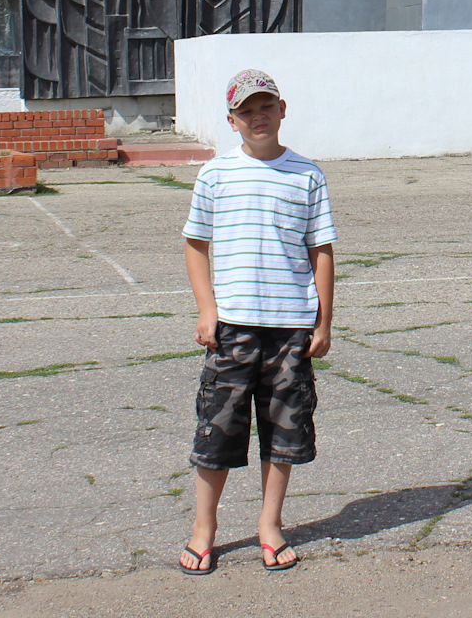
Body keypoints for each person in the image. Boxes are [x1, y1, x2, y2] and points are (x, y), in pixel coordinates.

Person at [178, 68, 336, 576]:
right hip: (233, 328)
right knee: (218, 430)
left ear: (282, 109)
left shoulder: (307, 175)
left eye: (265, 106)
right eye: (246, 111)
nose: (257, 117)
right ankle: (204, 529)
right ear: (232, 121)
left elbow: (322, 249)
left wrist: (323, 321)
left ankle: (271, 525)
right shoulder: (216, 175)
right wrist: (208, 309)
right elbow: (195, 245)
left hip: (289, 327)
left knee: (284, 431)